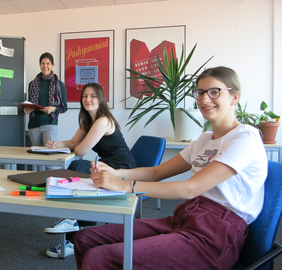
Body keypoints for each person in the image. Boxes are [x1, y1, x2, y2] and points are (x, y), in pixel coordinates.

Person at [75, 66, 268, 269]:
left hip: (216, 234)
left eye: (214, 92)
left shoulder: (245, 137)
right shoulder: (203, 140)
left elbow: (190, 188)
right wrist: (118, 173)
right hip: (186, 217)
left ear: (234, 97)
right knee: (84, 239)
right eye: (200, 92)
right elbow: (157, 172)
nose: (204, 99)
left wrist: (123, 186)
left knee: (101, 258)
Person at [44, 83, 137, 258]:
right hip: (106, 163)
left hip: (121, 165)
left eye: (93, 96)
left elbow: (80, 150)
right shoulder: (88, 121)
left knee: (77, 167)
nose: (88, 99)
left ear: (100, 99)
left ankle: (73, 228)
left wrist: (73, 146)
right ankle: (74, 227)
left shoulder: (102, 121)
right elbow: (73, 143)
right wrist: (58, 144)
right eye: (85, 96)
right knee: (76, 168)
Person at [25, 52, 67, 171]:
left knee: (50, 161)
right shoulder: (32, 84)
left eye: (48, 63)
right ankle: (41, 187)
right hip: (33, 126)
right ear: (39, 65)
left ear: (52, 65)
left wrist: (53, 109)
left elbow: (64, 108)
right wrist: (28, 109)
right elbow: (31, 104)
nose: (45, 66)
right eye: (43, 63)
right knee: (38, 161)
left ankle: (51, 186)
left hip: (50, 125)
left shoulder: (59, 85)